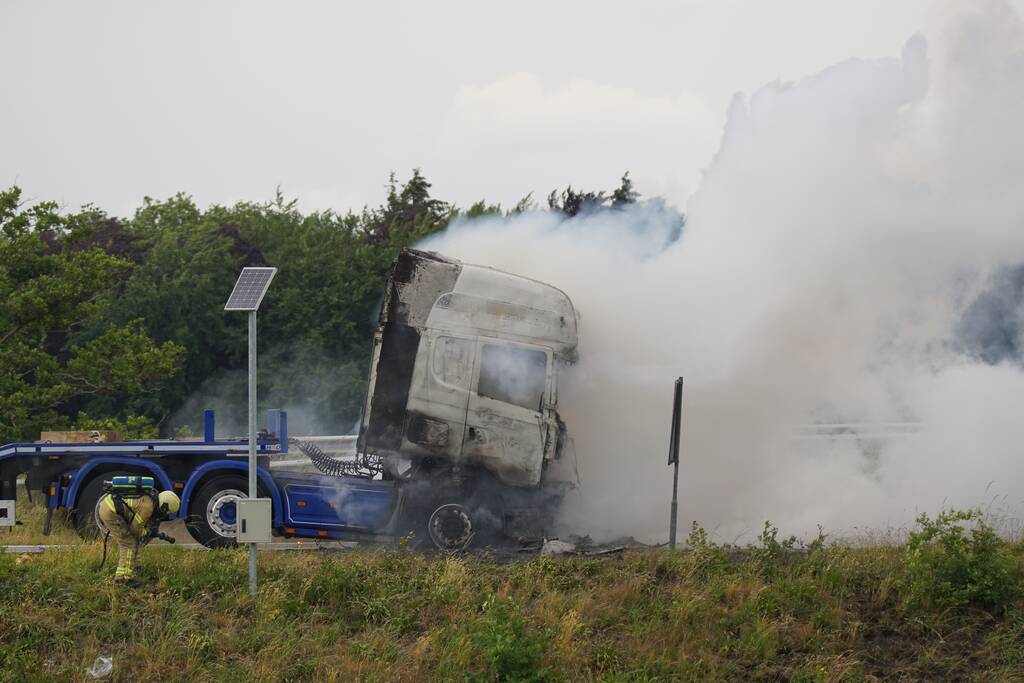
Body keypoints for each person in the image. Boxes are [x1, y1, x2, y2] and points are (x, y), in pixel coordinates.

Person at [97, 486, 180, 586]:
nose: (164, 514)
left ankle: (135, 568)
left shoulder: (150, 498)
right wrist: (146, 532)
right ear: (164, 506)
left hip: (109, 507)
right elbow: (135, 530)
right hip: (110, 512)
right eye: (166, 511)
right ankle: (123, 579)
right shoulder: (148, 507)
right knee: (128, 544)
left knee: (133, 540)